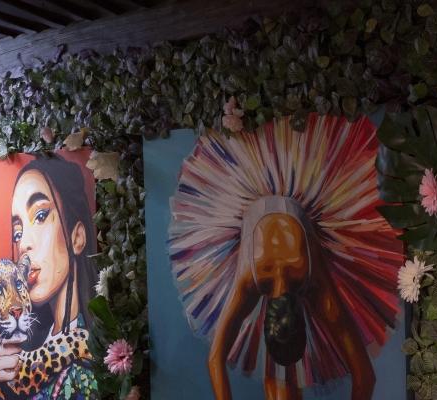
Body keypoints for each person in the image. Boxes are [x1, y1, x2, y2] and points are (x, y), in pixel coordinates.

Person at [169, 115, 403, 400]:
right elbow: (364, 376)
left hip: (288, 201)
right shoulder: (255, 280)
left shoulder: (297, 283)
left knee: (281, 385)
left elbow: (215, 358)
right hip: (262, 204)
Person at [0, 156, 99, 398]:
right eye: (17, 232)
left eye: (40, 216)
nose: (23, 245)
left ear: (77, 237)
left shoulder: (97, 345)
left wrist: (74, 342)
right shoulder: (24, 332)